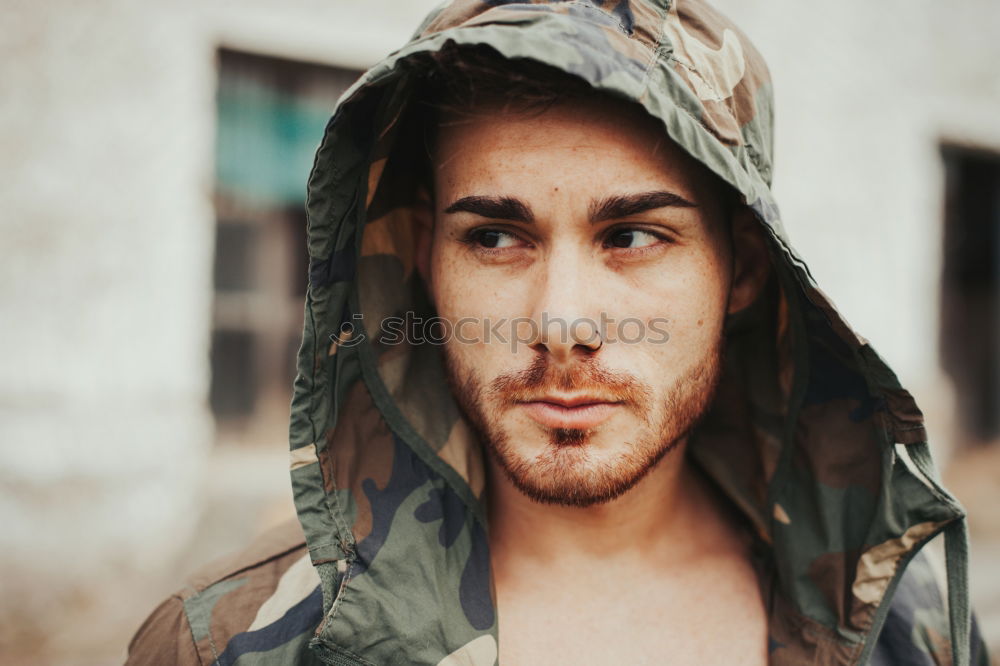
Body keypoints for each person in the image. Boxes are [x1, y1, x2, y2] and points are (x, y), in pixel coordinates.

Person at [127, 1, 990, 664]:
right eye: (496, 237)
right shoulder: (236, 644)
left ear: (746, 268)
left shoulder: (900, 630)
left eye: (633, 236)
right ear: (426, 257)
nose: (562, 322)